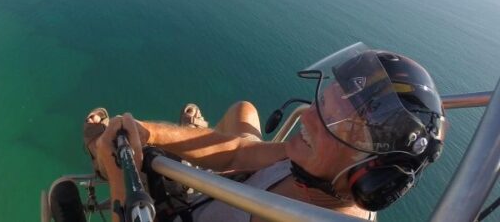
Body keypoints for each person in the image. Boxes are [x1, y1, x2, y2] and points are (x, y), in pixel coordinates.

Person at [84, 45, 445, 222]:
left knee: (104, 152)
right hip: (212, 199)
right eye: (322, 102)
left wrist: (119, 180)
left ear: (369, 175)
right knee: (244, 111)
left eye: (333, 123)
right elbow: (239, 153)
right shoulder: (309, 164)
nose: (307, 118)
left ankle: (99, 152)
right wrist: (146, 133)